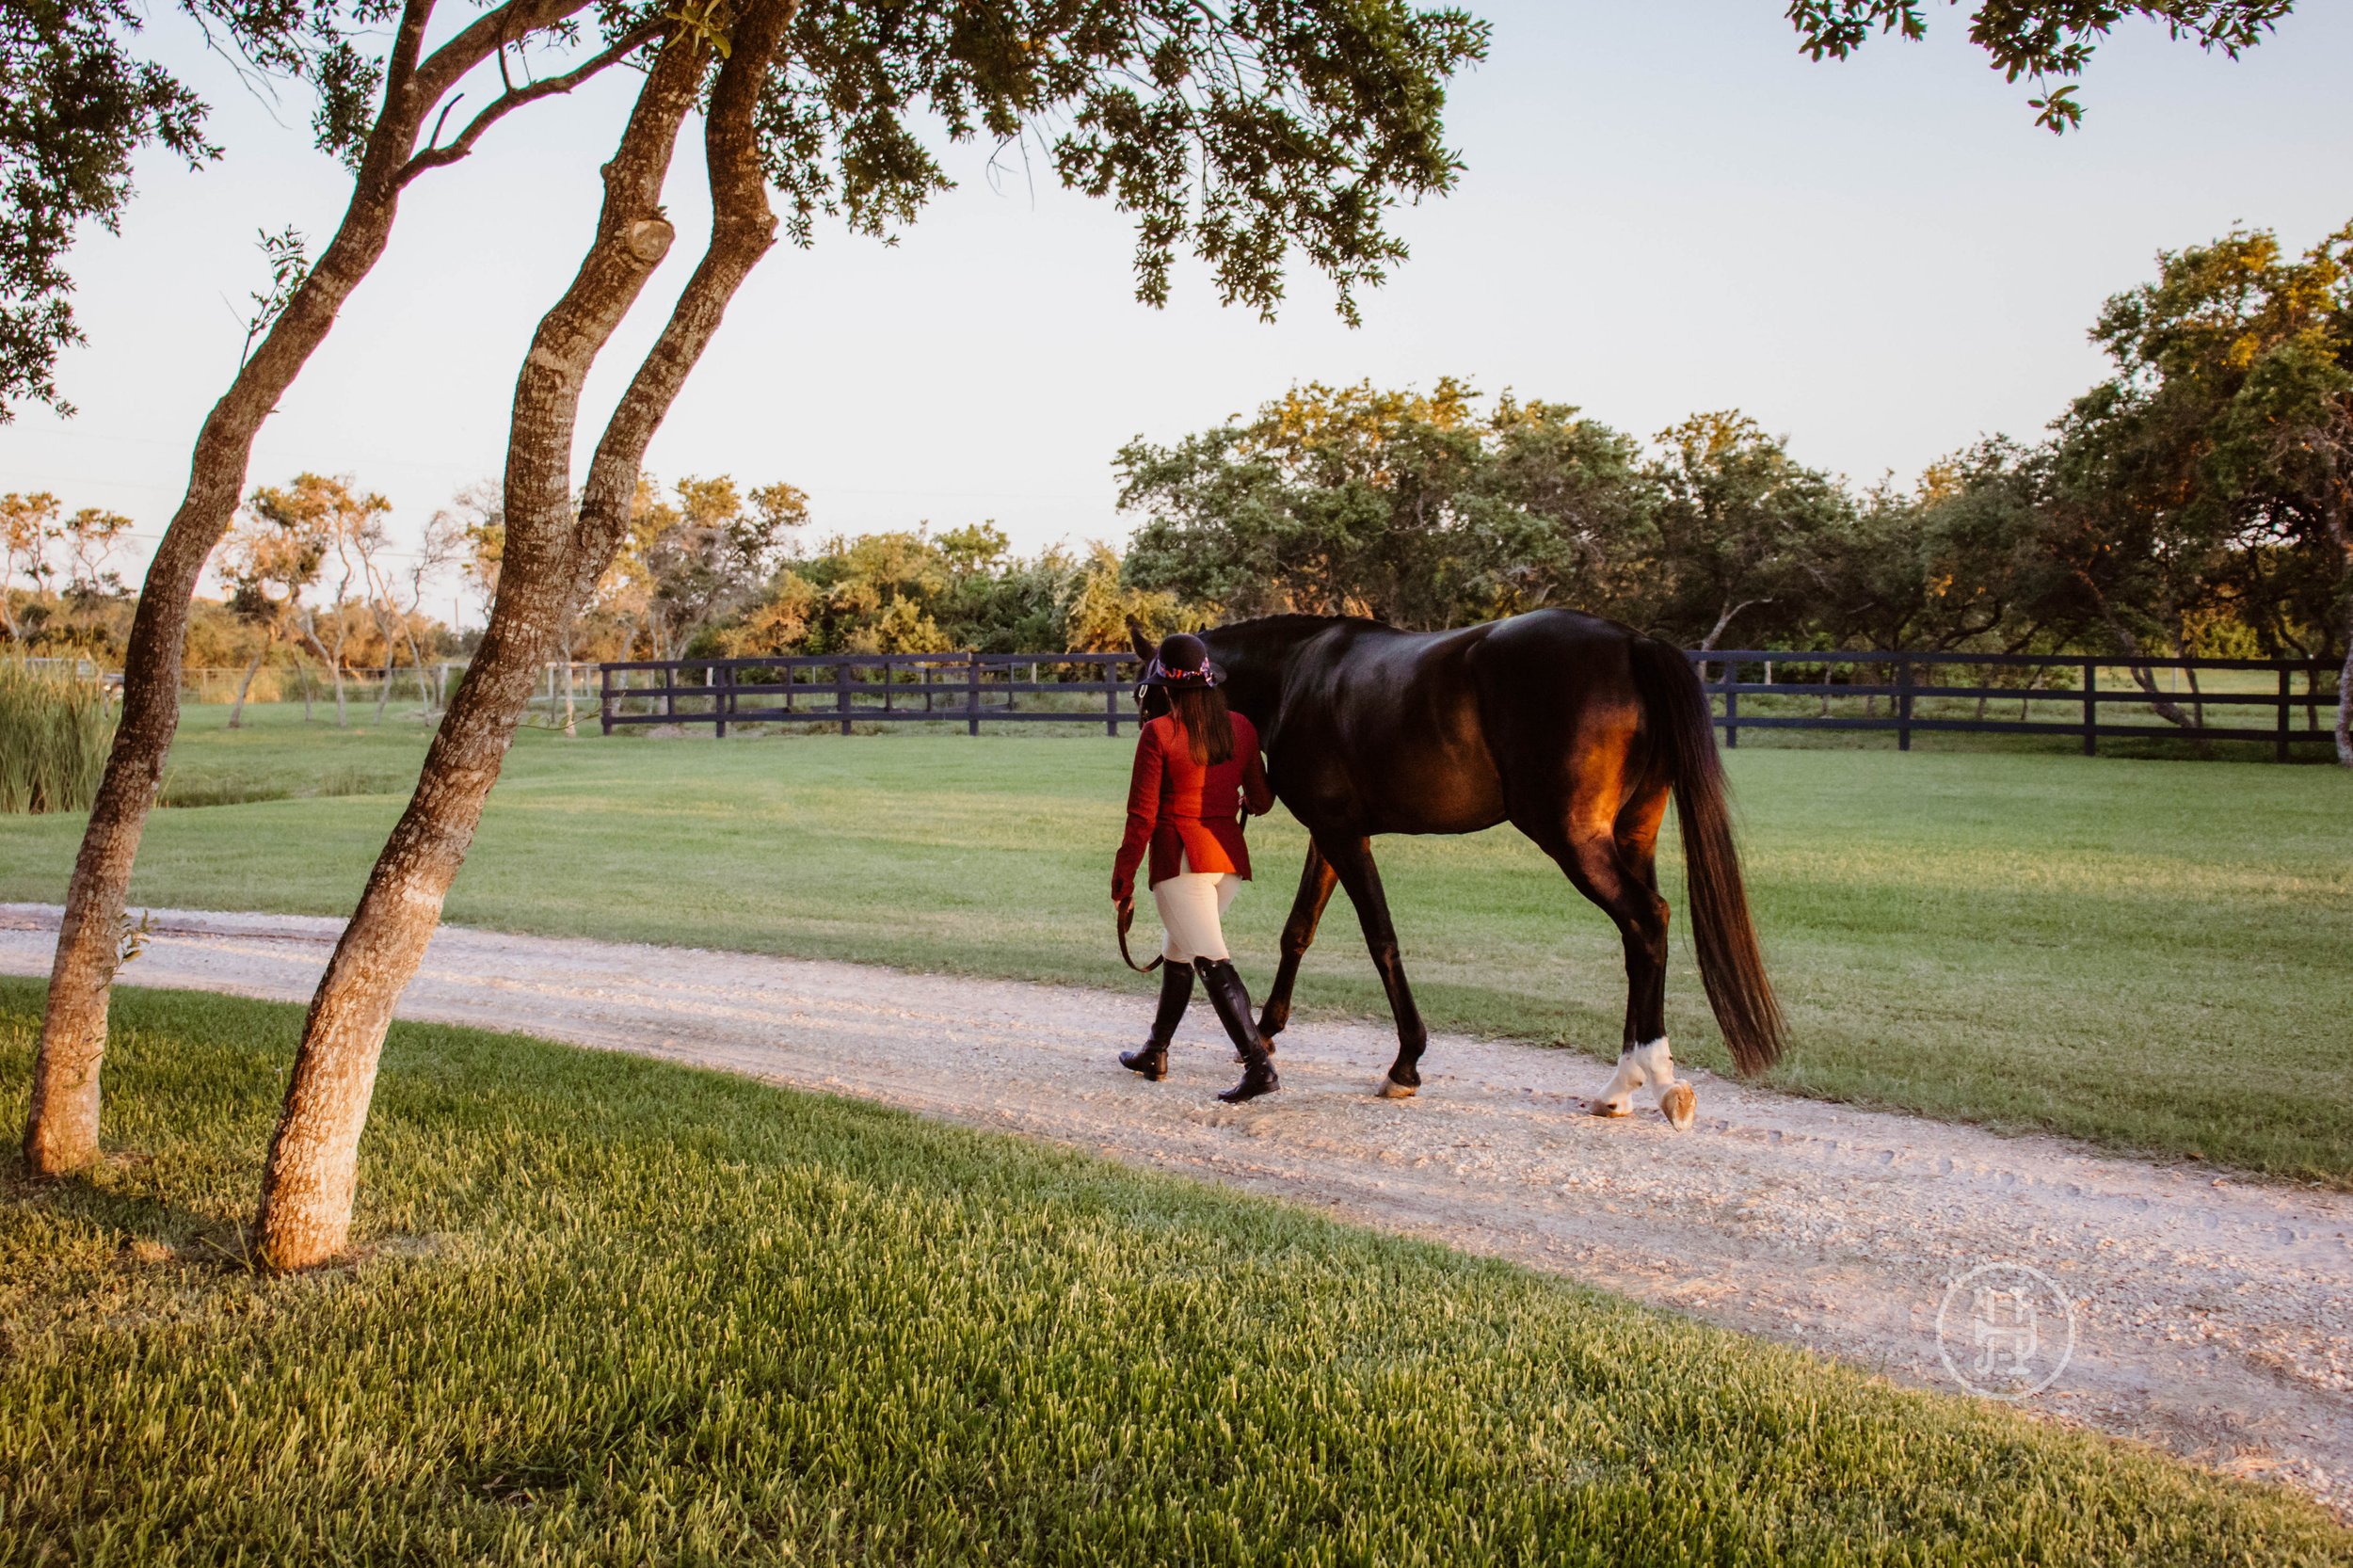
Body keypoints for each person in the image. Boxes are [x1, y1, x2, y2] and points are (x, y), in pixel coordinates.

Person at [1111, 632, 1279, 1102]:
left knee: (1211, 960)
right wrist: (1236, 799)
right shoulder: (1242, 728)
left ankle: (1258, 1066)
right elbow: (1262, 802)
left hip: (1180, 862)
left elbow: (1141, 817)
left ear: (1165, 687)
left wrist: (1123, 880)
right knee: (1180, 954)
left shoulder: (1159, 733)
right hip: (1225, 865)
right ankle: (1155, 1050)